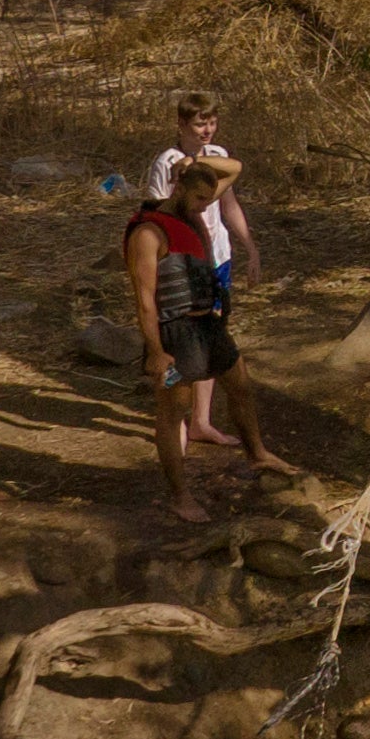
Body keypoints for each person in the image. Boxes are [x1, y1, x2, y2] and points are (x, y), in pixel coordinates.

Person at [122, 160, 251, 513]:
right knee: (172, 411)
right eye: (199, 198)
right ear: (178, 189)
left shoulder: (192, 208)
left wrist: (197, 163)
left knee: (240, 383)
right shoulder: (148, 232)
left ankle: (258, 454)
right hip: (174, 336)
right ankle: (180, 496)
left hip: (207, 326)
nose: (205, 206)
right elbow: (145, 302)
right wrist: (156, 352)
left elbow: (234, 170)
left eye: (209, 200)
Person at [144, 92, 265, 457]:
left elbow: (228, 202)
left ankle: (202, 420)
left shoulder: (219, 157)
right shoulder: (165, 162)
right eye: (199, 124)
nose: (207, 129)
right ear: (182, 125)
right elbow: (155, 212)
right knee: (180, 340)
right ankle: (177, 422)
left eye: (211, 122)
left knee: (214, 335)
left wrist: (251, 247)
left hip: (218, 258)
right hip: (181, 263)